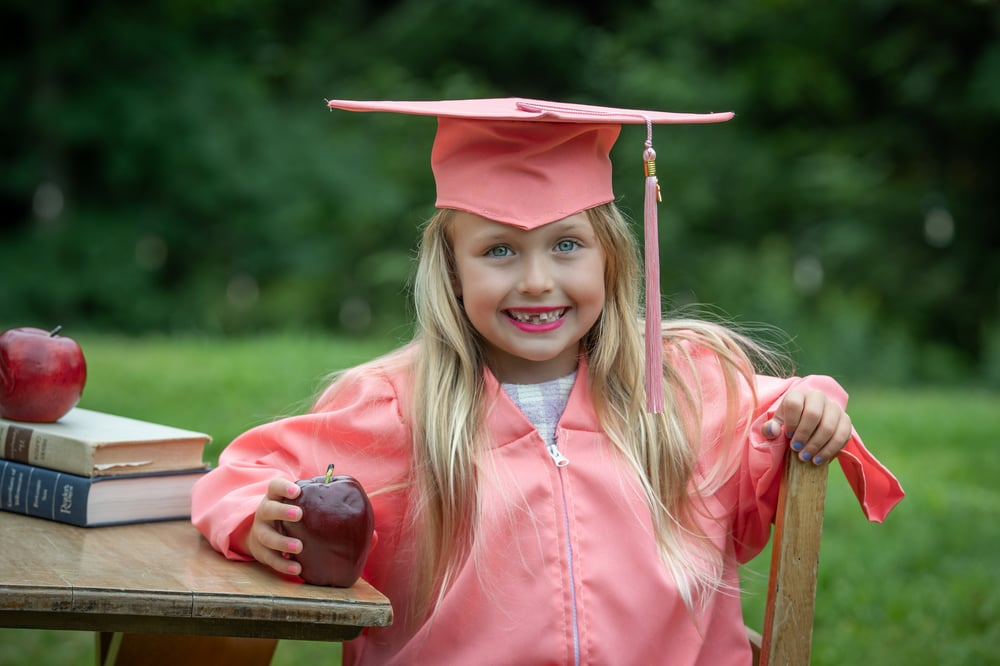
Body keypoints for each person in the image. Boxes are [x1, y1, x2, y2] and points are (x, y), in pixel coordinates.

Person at [191, 98, 904, 665]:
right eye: (498, 249)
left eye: (567, 245)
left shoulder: (683, 388)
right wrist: (254, 518)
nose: (537, 282)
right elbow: (246, 474)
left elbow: (781, 414)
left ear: (611, 260)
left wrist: (820, 404)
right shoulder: (396, 407)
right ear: (452, 270)